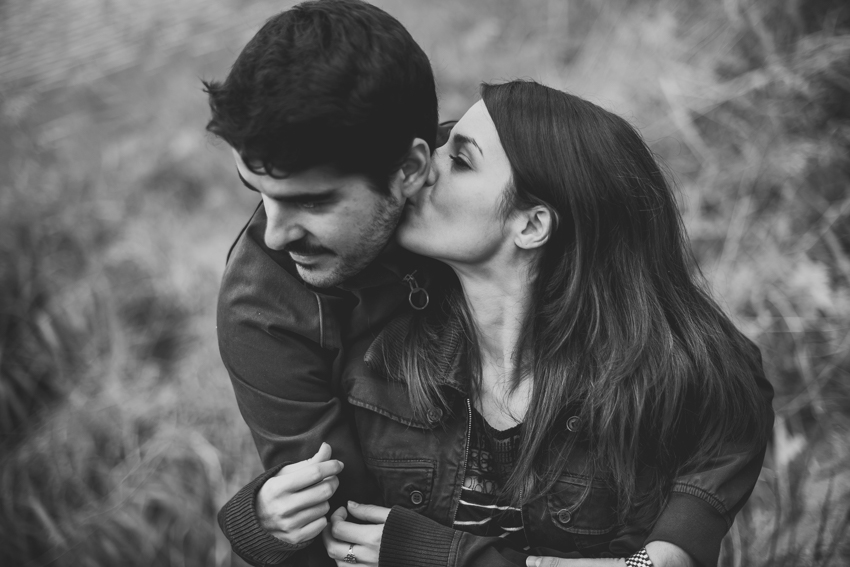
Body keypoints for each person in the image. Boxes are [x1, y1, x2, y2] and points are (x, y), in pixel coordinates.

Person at [317, 81, 775, 567]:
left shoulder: (695, 379)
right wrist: (255, 519)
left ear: (532, 225)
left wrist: (449, 558)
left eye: (461, 159)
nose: (425, 168)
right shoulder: (380, 356)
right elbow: (317, 524)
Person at [202, 1, 452, 565]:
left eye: (311, 201)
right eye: (256, 190)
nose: (275, 235)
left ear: (411, 170)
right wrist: (260, 524)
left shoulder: (514, 189)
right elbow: (347, 532)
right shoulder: (260, 308)